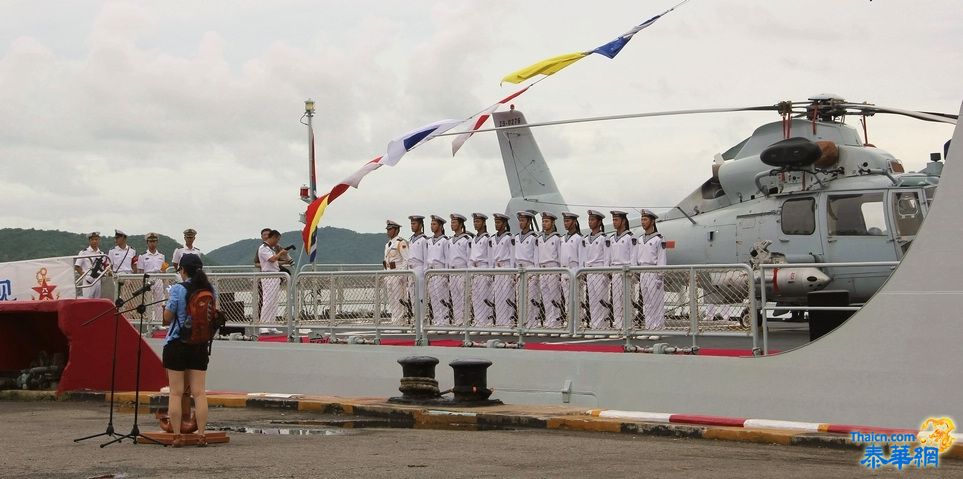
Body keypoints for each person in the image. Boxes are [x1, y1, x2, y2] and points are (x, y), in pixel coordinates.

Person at [162, 253, 212, 447]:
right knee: (199, 392)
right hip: (200, 344)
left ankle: (176, 436)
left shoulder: (177, 289)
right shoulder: (209, 289)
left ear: (182, 270)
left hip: (177, 343)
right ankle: (201, 435)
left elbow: (168, 317)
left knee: (176, 392)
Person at [637, 209, 668, 329]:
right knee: (647, 303)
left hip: (653, 272)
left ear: (652, 221)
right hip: (643, 272)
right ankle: (649, 327)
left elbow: (661, 258)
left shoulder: (659, 238)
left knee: (656, 302)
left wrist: (660, 276)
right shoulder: (640, 239)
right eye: (642, 219)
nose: (643, 222)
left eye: (645, 219)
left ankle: (658, 327)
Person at [609, 210, 637, 329]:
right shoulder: (612, 238)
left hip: (626, 271)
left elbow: (633, 256)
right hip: (615, 270)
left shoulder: (630, 237)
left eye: (616, 220)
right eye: (613, 220)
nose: (614, 222)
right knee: (616, 300)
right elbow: (610, 256)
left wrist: (633, 272)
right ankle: (618, 324)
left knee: (627, 299)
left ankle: (628, 324)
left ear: (623, 221)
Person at [257, 230, 289, 333]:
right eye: (277, 239)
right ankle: (263, 325)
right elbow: (272, 259)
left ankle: (271, 324)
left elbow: (275, 259)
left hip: (275, 275)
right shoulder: (263, 248)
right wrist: (281, 253)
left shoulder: (271, 249)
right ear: (273, 237)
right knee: (268, 300)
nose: (277, 242)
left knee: (274, 301)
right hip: (268, 275)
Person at [584, 210, 611, 329]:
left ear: (599, 222)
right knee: (593, 301)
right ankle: (595, 325)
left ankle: (603, 325)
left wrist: (606, 273)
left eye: (593, 219)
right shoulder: (586, 238)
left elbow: (607, 256)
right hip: (590, 271)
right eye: (589, 219)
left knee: (602, 300)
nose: (590, 222)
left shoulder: (604, 238)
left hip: (600, 271)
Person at [536, 212, 563, 327]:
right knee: (546, 297)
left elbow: (560, 255)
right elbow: (536, 255)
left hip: (553, 268)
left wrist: (560, 272)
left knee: (554, 297)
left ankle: (556, 321)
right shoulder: (539, 239)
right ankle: (549, 320)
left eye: (547, 221)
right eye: (543, 221)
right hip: (542, 269)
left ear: (552, 223)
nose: (544, 224)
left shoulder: (557, 238)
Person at [515, 211, 540, 328]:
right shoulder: (516, 237)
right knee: (520, 299)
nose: (521, 223)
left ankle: (532, 324)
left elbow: (536, 256)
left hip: (530, 268)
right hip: (519, 269)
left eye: (523, 220)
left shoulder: (534, 238)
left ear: (529, 222)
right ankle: (522, 322)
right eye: (520, 220)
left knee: (531, 299)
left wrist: (535, 273)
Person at [559, 212, 585, 326]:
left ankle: (577, 323)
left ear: (574, 222)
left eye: (568, 221)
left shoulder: (579, 238)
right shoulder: (563, 238)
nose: (566, 223)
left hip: (574, 269)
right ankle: (570, 322)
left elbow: (582, 257)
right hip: (565, 270)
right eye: (565, 221)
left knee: (576, 299)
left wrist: (581, 272)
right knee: (567, 300)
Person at [469, 213, 494, 326]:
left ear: (484, 223)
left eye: (478, 221)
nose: (475, 224)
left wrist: (490, 273)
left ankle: (487, 321)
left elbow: (491, 256)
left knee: (485, 297)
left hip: (484, 268)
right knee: (476, 297)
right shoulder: (474, 239)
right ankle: (479, 320)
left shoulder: (487, 239)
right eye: (474, 221)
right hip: (474, 269)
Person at [425, 215, 451, 326]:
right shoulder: (429, 241)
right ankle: (437, 320)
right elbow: (427, 258)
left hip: (440, 272)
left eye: (434, 224)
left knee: (442, 298)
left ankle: (444, 321)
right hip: (431, 272)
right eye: (431, 224)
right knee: (434, 298)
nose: (432, 226)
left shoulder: (445, 241)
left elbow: (448, 258)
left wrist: (447, 275)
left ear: (440, 226)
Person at [491, 213, 516, 327]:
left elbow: (512, 255)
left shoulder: (509, 237)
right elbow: (491, 256)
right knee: (498, 296)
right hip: (497, 268)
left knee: (507, 295)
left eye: (499, 222)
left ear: (505, 223)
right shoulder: (493, 238)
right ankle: (500, 321)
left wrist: (512, 272)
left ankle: (509, 321)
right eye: (496, 222)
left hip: (506, 267)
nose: (497, 225)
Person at [383, 220, 410, 323]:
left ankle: (399, 322)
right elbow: (386, 261)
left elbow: (406, 260)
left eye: (390, 229)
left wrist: (401, 275)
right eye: (388, 229)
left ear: (396, 230)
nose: (388, 231)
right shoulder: (387, 245)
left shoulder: (400, 242)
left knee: (399, 299)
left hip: (397, 274)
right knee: (392, 300)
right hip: (389, 274)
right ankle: (394, 321)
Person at [447, 214, 472, 326]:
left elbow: (469, 257)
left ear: (461, 224)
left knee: (464, 298)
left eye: (454, 222)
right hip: (452, 272)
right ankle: (458, 321)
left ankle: (466, 320)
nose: (452, 225)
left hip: (462, 270)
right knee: (455, 299)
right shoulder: (450, 240)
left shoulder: (467, 239)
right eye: (451, 222)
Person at [137, 232, 168, 322]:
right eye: (150, 241)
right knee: (148, 302)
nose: (152, 243)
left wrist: (165, 284)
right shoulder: (142, 256)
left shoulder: (161, 256)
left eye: (154, 241)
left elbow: (163, 270)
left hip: (158, 279)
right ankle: (148, 322)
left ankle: (158, 322)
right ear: (147, 242)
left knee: (159, 302)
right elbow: (140, 271)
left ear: (157, 242)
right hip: (147, 279)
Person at [74, 231, 108, 299]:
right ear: (89, 241)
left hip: (98, 280)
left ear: (99, 240)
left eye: (96, 239)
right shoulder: (84, 252)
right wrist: (85, 276)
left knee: (97, 301)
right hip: (88, 280)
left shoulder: (101, 253)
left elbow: (104, 266)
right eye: (92, 240)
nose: (94, 241)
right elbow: (77, 267)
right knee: (87, 301)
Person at [407, 215, 429, 311]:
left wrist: (425, 273)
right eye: (411, 223)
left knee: (420, 296)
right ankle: (415, 318)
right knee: (412, 297)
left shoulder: (424, 240)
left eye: (414, 223)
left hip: (419, 268)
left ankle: (421, 320)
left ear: (420, 225)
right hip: (411, 269)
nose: (412, 225)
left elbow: (426, 257)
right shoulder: (411, 240)